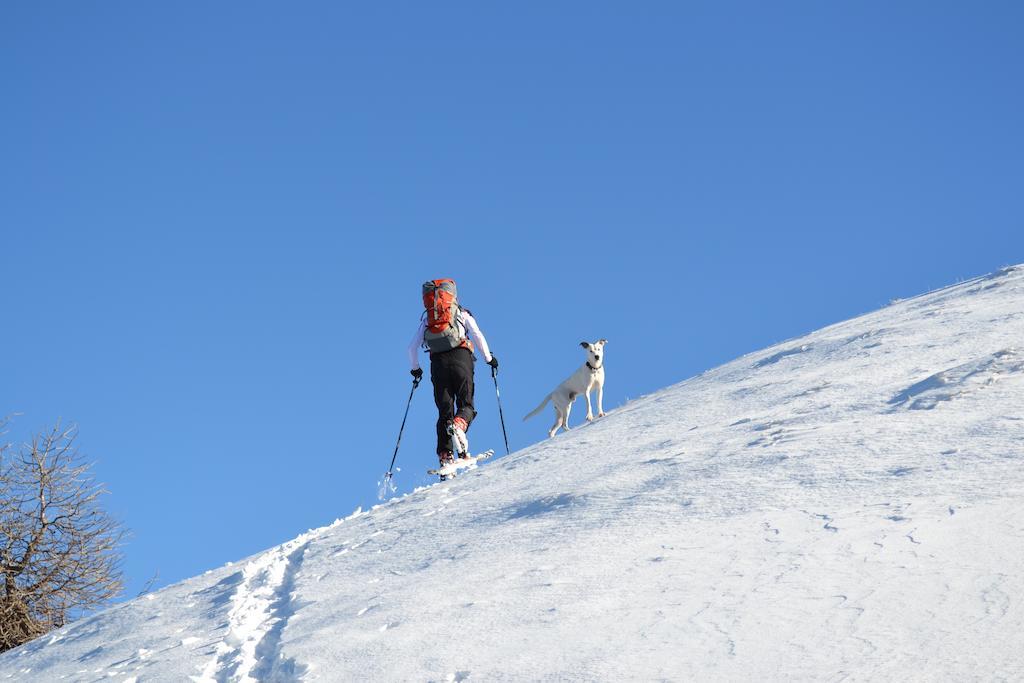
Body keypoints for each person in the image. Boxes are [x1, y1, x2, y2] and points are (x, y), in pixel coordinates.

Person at [409, 280, 498, 471]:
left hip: (437, 365)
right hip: (461, 358)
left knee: (444, 411)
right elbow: (477, 336)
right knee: (466, 404)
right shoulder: (462, 314)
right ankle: (459, 426)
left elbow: (411, 348)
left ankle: (445, 456)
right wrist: (490, 359)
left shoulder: (427, 320)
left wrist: (416, 369)